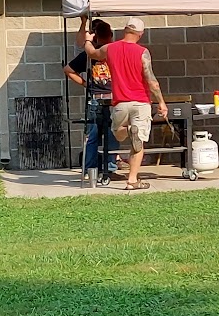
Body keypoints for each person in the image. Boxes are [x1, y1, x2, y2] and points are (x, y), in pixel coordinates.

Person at [83, 16, 169, 191]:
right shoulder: (142, 52)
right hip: (141, 103)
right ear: (141, 34)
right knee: (139, 143)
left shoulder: (110, 48)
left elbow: (91, 53)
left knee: (117, 133)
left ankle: (128, 130)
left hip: (120, 103)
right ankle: (131, 181)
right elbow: (151, 80)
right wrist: (161, 102)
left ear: (124, 30)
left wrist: (87, 40)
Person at [64, 16, 118, 183]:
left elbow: (67, 69)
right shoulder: (89, 54)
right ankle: (97, 168)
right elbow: (69, 70)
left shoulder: (109, 51)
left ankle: (103, 168)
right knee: (99, 134)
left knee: (106, 134)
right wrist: (87, 84)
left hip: (106, 97)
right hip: (100, 98)